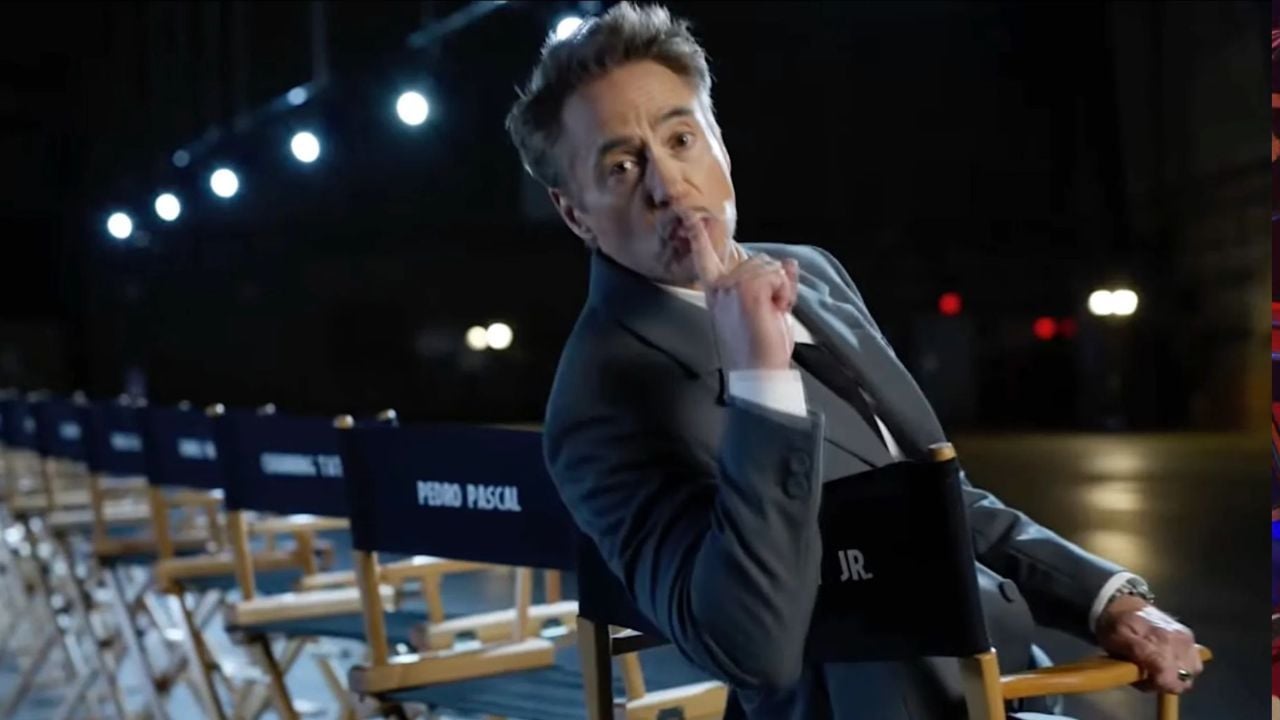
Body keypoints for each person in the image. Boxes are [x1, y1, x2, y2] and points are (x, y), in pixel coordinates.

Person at [506, 3, 1201, 718]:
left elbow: (929, 500)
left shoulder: (810, 272)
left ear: (720, 143)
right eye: (622, 166)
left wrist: (1106, 599)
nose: (668, 184)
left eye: (682, 139)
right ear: (575, 212)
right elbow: (750, 647)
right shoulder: (597, 401)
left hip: (1005, 682)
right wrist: (759, 385)